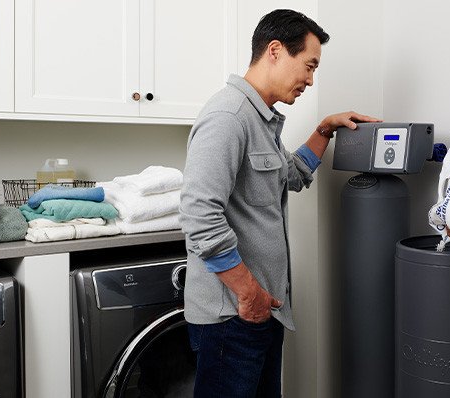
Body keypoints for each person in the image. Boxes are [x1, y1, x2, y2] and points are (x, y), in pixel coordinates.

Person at [179, 9, 380, 397]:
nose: (310, 79)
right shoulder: (229, 116)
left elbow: (291, 176)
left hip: (260, 310)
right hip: (233, 314)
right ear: (275, 51)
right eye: (308, 66)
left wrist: (325, 129)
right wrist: (247, 291)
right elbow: (199, 215)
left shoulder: (261, 121)